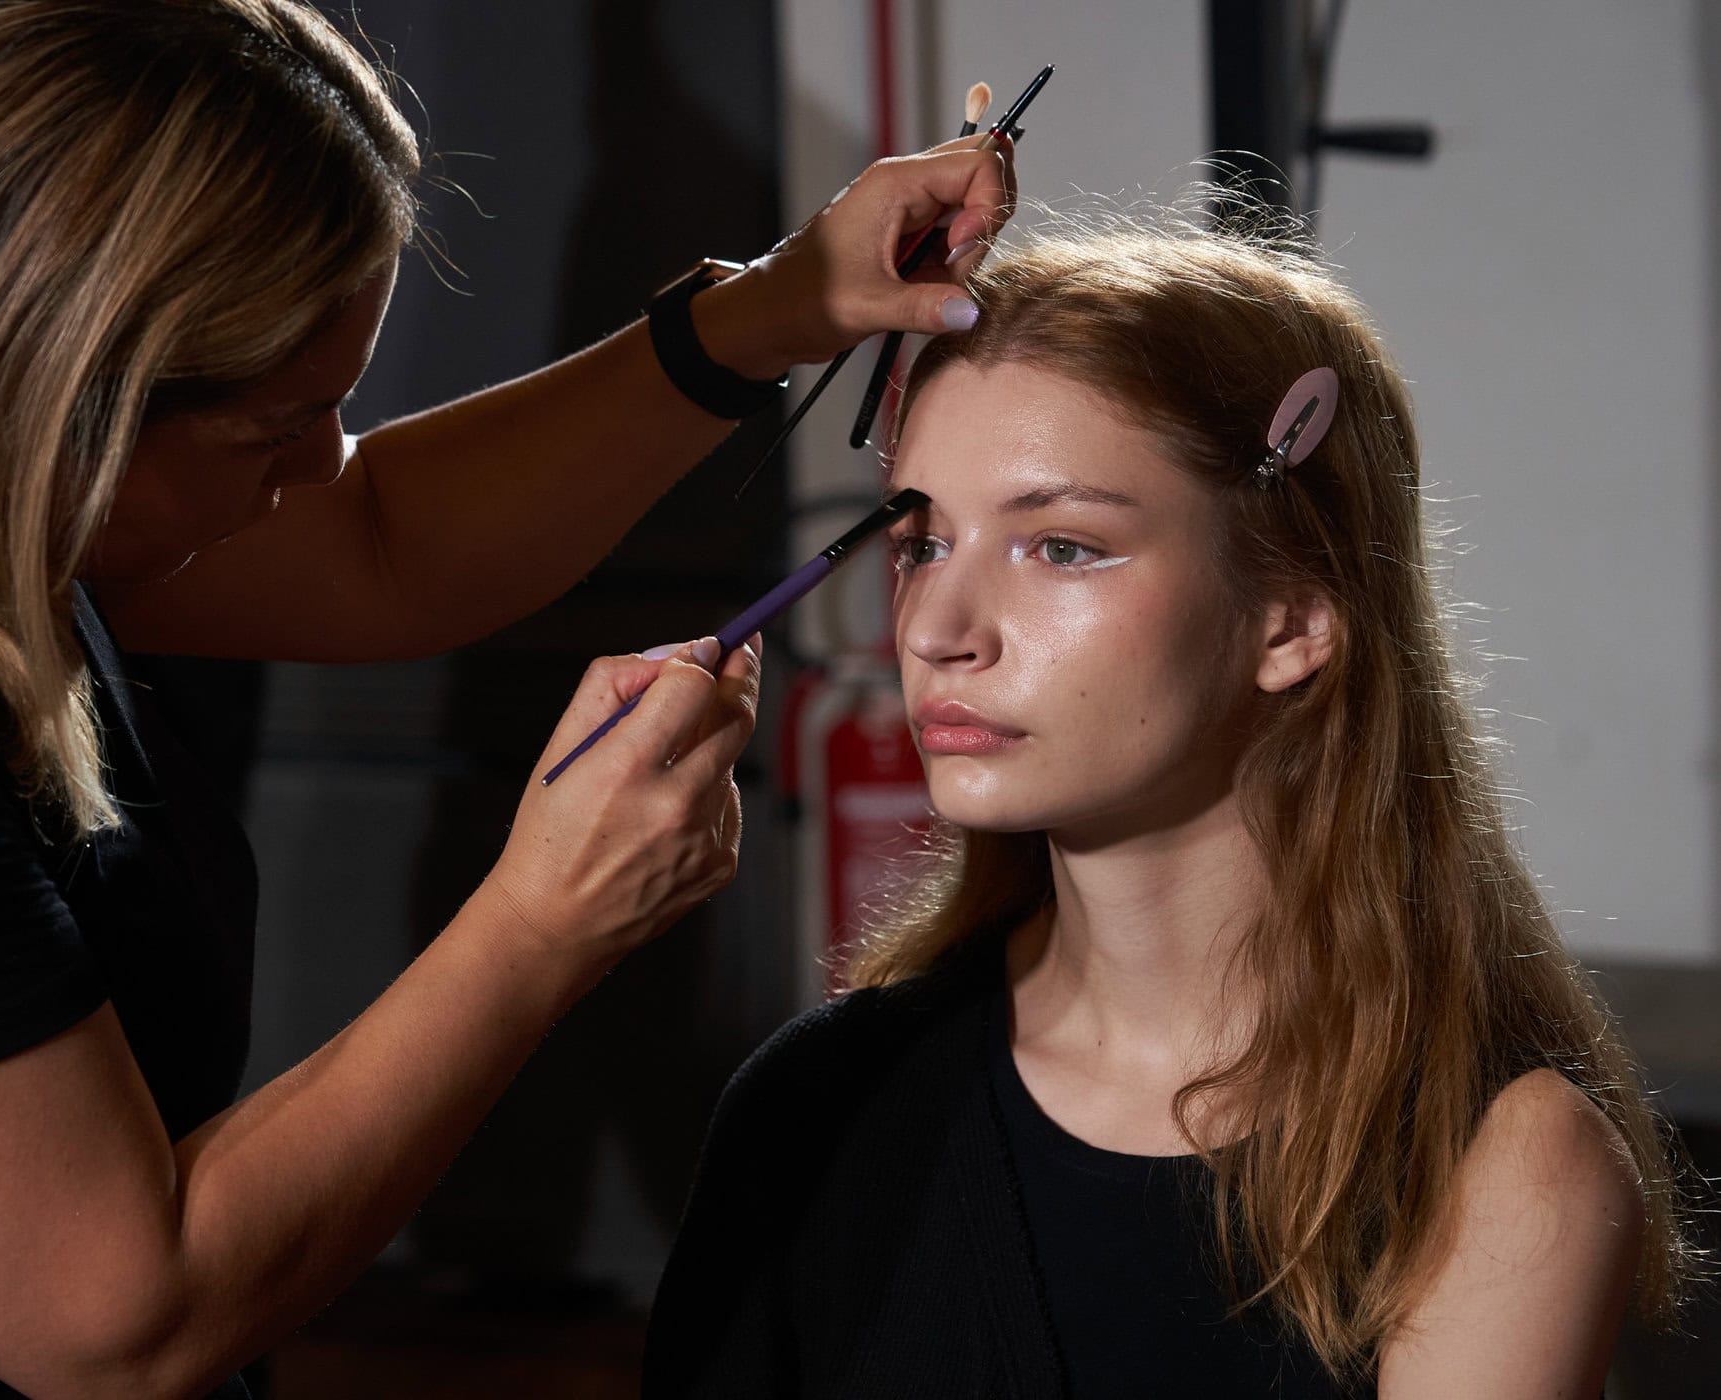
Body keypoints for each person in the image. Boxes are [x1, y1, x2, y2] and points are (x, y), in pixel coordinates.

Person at [0, 0, 1016, 1395]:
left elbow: (379, 544)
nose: (323, 468)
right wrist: (540, 923)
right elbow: (123, 1322)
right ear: (53, 397)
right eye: (280, 424)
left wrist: (774, 307)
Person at [642, 214, 1696, 1398]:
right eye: (921, 540)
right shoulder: (817, 1108)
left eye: (1063, 547)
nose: (940, 630)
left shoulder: (1498, 1171)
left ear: (1293, 619)